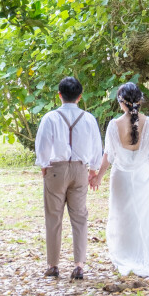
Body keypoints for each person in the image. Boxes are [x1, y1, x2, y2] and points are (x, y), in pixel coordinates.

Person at [92, 82, 149, 279]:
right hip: (142, 175)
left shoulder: (114, 125)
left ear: (121, 103)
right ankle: (146, 250)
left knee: (123, 216)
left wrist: (98, 177)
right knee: (146, 214)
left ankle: (126, 251)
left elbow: (108, 156)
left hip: (120, 176)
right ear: (140, 101)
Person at [35, 77, 103, 280]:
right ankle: (79, 265)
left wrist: (44, 164)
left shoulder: (50, 117)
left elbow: (43, 144)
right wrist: (94, 169)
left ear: (59, 95)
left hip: (56, 169)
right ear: (80, 96)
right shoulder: (88, 118)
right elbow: (96, 146)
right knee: (80, 217)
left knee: (53, 217)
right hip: (80, 169)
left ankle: (53, 264)